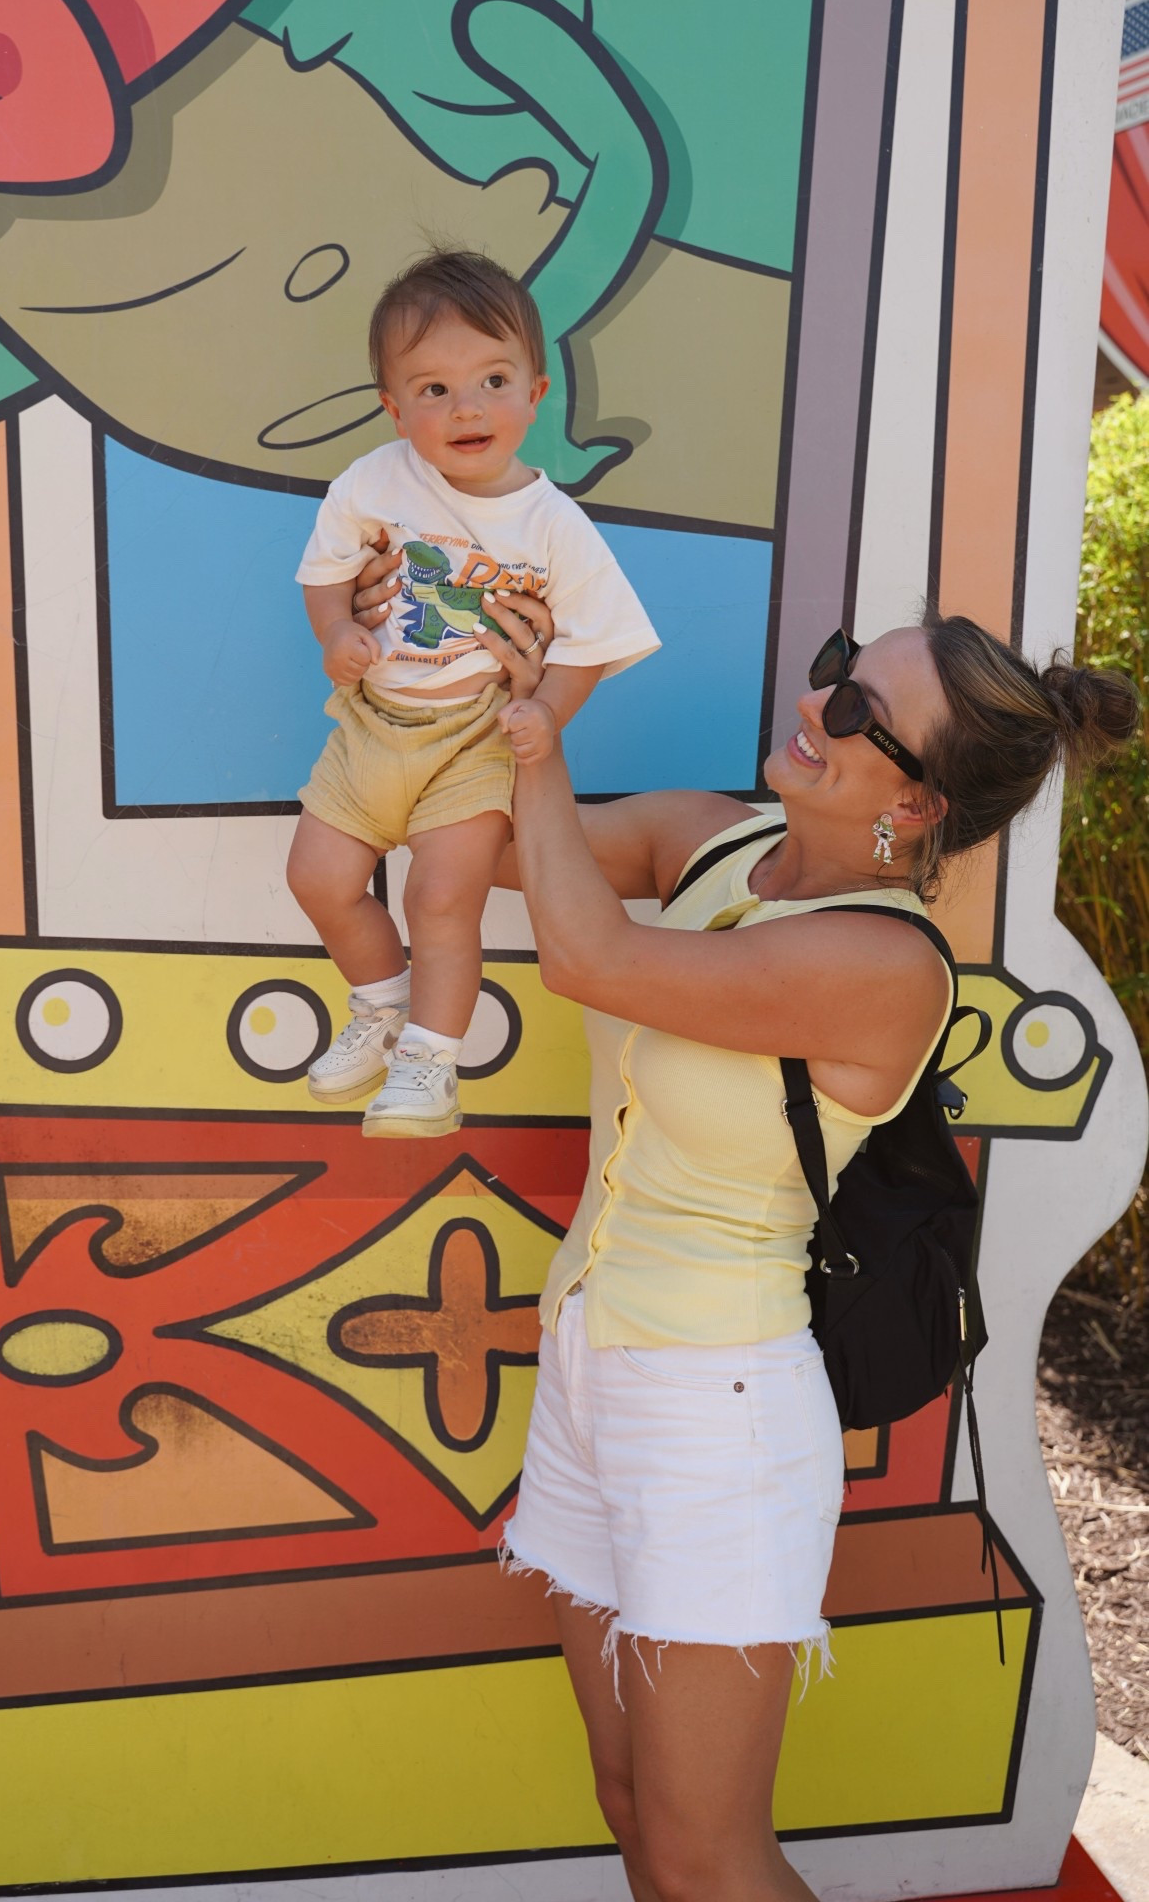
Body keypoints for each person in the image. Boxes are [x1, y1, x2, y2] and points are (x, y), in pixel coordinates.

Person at [351, 541, 1140, 1900]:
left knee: (709, 1853)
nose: (813, 703)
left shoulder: (882, 963)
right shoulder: (713, 842)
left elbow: (590, 952)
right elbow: (473, 848)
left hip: (717, 1415)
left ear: (919, 802)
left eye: (855, 711)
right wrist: (447, 662)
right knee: (631, 1810)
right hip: (593, 1367)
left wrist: (540, 751)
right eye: (838, 670)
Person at [288, 249, 659, 1138]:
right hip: (372, 726)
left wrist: (546, 713)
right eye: (434, 390)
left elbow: (596, 642)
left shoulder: (554, 527)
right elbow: (324, 573)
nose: (468, 408)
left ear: (535, 393)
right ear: (394, 408)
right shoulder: (375, 483)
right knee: (319, 875)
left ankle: (430, 1061)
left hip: (472, 738)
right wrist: (337, 632)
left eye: (493, 380)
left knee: (440, 896)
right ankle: (380, 1006)